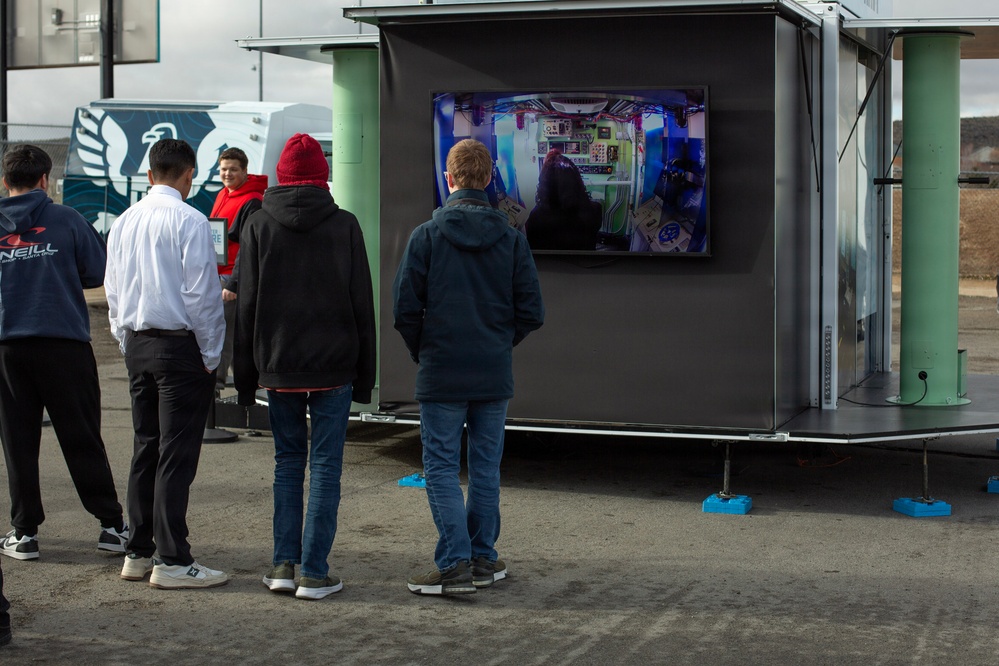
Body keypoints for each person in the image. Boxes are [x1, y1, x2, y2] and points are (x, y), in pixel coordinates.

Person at [393, 138, 545, 595]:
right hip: (492, 370)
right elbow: (532, 312)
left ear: (450, 178)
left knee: (440, 466)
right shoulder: (512, 238)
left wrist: (428, 349)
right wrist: (500, 342)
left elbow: (405, 310)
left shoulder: (427, 235)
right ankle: (482, 557)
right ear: (489, 178)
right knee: (485, 468)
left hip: (441, 369)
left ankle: (454, 564)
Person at [234, 133, 376, 601]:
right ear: (323, 176)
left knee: (287, 463)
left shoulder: (257, 225)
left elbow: (247, 304)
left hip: (278, 364)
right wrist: (366, 376)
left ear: (281, 175)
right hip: (335, 365)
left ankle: (281, 564)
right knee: (327, 467)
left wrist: (244, 376)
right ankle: (315, 572)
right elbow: (362, 303)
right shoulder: (345, 225)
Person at [105, 138, 227, 589]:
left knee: (146, 447)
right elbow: (202, 297)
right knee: (176, 455)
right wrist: (211, 355)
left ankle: (138, 551)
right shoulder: (190, 220)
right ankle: (172, 559)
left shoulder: (124, 221)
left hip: (137, 342)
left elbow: (113, 290)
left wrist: (125, 340)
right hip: (180, 348)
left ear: (150, 173)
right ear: (188, 175)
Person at [0, 145, 128, 562]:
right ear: (45, 181)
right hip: (64, 346)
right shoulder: (68, 218)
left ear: (5, 181)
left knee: (17, 441)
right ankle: (111, 526)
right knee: (82, 436)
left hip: (7, 349)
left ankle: (24, 534)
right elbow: (96, 271)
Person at [210, 147, 267, 389]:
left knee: (224, 332)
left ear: (245, 171)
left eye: (233, 169)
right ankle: (240, 385)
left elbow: (248, 246)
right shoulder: (224, 194)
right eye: (224, 169)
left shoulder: (252, 201)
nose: (228, 173)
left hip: (231, 279)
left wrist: (234, 283)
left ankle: (218, 382)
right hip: (217, 274)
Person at [525, 150, 602, 251]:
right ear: (576, 180)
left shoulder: (536, 217)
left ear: (545, 184)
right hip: (585, 266)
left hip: (548, 267)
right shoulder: (594, 211)